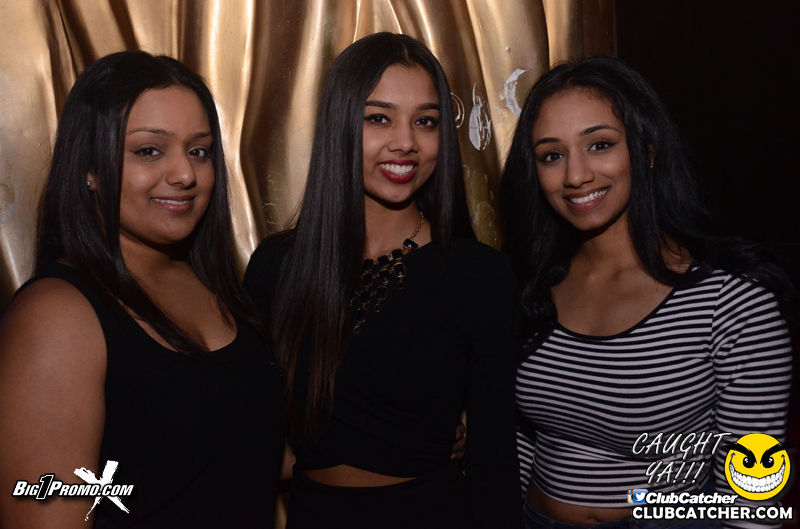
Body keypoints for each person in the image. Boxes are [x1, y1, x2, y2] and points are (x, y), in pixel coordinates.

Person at [243, 32, 522, 529]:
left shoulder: (479, 275)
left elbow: (494, 466)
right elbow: (244, 432)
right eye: (379, 118)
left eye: (425, 121)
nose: (405, 142)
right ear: (341, 124)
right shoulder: (277, 266)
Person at [500, 56, 792, 528]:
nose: (575, 175)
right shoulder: (529, 285)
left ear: (648, 151)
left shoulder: (731, 301)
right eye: (552, 155)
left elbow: (752, 495)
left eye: (599, 145)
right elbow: (520, 437)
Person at [0, 51, 284, 528]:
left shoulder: (212, 286)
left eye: (199, 151)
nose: (184, 174)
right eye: (149, 151)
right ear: (89, 168)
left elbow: (236, 457)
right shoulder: (57, 316)